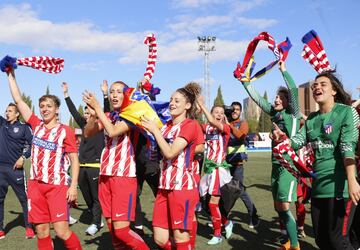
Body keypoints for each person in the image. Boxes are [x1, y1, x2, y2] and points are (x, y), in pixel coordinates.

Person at [273, 70, 360, 250]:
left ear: (334, 91)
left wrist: (352, 180)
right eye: (314, 86)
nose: (316, 88)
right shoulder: (312, 119)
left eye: (322, 84)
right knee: (322, 241)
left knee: (339, 241)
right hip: (319, 189)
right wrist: (283, 139)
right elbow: (296, 141)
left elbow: (348, 148)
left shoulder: (346, 112)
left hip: (341, 188)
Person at [6, 69, 82, 249]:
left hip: (56, 186)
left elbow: (74, 159)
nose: (44, 109)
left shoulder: (66, 131)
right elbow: (18, 100)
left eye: (48, 106)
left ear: (56, 109)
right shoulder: (35, 124)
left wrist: (73, 186)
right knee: (42, 232)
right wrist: (10, 74)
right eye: (42, 106)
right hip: (35, 186)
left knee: (62, 231)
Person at [239, 61, 301, 250]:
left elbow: (293, 90)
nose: (276, 99)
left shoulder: (293, 114)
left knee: (283, 206)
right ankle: (290, 240)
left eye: (280, 97)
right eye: (275, 97)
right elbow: (258, 98)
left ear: (287, 101)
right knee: (278, 207)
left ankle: (296, 245)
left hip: (288, 166)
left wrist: (284, 69)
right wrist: (245, 83)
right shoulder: (274, 114)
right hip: (275, 165)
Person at [83, 81, 149, 249]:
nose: (113, 95)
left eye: (119, 91)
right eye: (112, 91)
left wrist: (98, 108)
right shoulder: (109, 115)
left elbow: (112, 131)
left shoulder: (132, 114)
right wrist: (92, 116)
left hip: (123, 176)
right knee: (114, 232)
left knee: (122, 231)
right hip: (105, 175)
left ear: (126, 95)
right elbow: (88, 133)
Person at [141, 82, 200, 250]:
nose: (172, 103)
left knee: (181, 237)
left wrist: (155, 131)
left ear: (187, 105)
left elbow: (170, 152)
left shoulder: (190, 125)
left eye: (177, 101)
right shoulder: (166, 127)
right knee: (160, 238)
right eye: (171, 100)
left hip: (182, 186)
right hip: (164, 186)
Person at [62, 81, 109, 236]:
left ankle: (96, 222)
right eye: (86, 113)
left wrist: (105, 94)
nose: (87, 114)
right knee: (87, 196)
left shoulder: (102, 124)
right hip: (81, 166)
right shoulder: (83, 125)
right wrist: (66, 95)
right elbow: (73, 111)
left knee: (96, 197)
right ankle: (97, 218)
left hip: (96, 166)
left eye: (90, 112)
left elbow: (107, 111)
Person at [197, 99, 233, 245]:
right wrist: (197, 111)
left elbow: (212, 122)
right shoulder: (206, 128)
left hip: (219, 169)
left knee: (212, 203)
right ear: (211, 113)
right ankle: (227, 222)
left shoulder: (225, 128)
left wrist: (202, 105)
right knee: (204, 201)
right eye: (216, 112)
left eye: (221, 113)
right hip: (208, 171)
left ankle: (217, 234)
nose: (219, 114)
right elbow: (193, 126)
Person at [0, 103, 35, 239]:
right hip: (0, 169)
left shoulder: (24, 128)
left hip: (16, 169)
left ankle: (29, 226)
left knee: (24, 199)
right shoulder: (2, 124)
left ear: (17, 113)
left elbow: (33, 145)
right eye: (6, 111)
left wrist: (23, 157)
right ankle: (1, 229)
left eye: (10, 111)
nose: (7, 113)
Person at [227, 101, 260, 228]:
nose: (234, 111)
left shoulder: (243, 123)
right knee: (224, 191)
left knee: (239, 190)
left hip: (237, 164)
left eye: (237, 109)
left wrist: (228, 126)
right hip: (225, 163)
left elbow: (241, 136)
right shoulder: (227, 122)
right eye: (232, 109)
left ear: (240, 111)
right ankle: (222, 218)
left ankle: (254, 215)